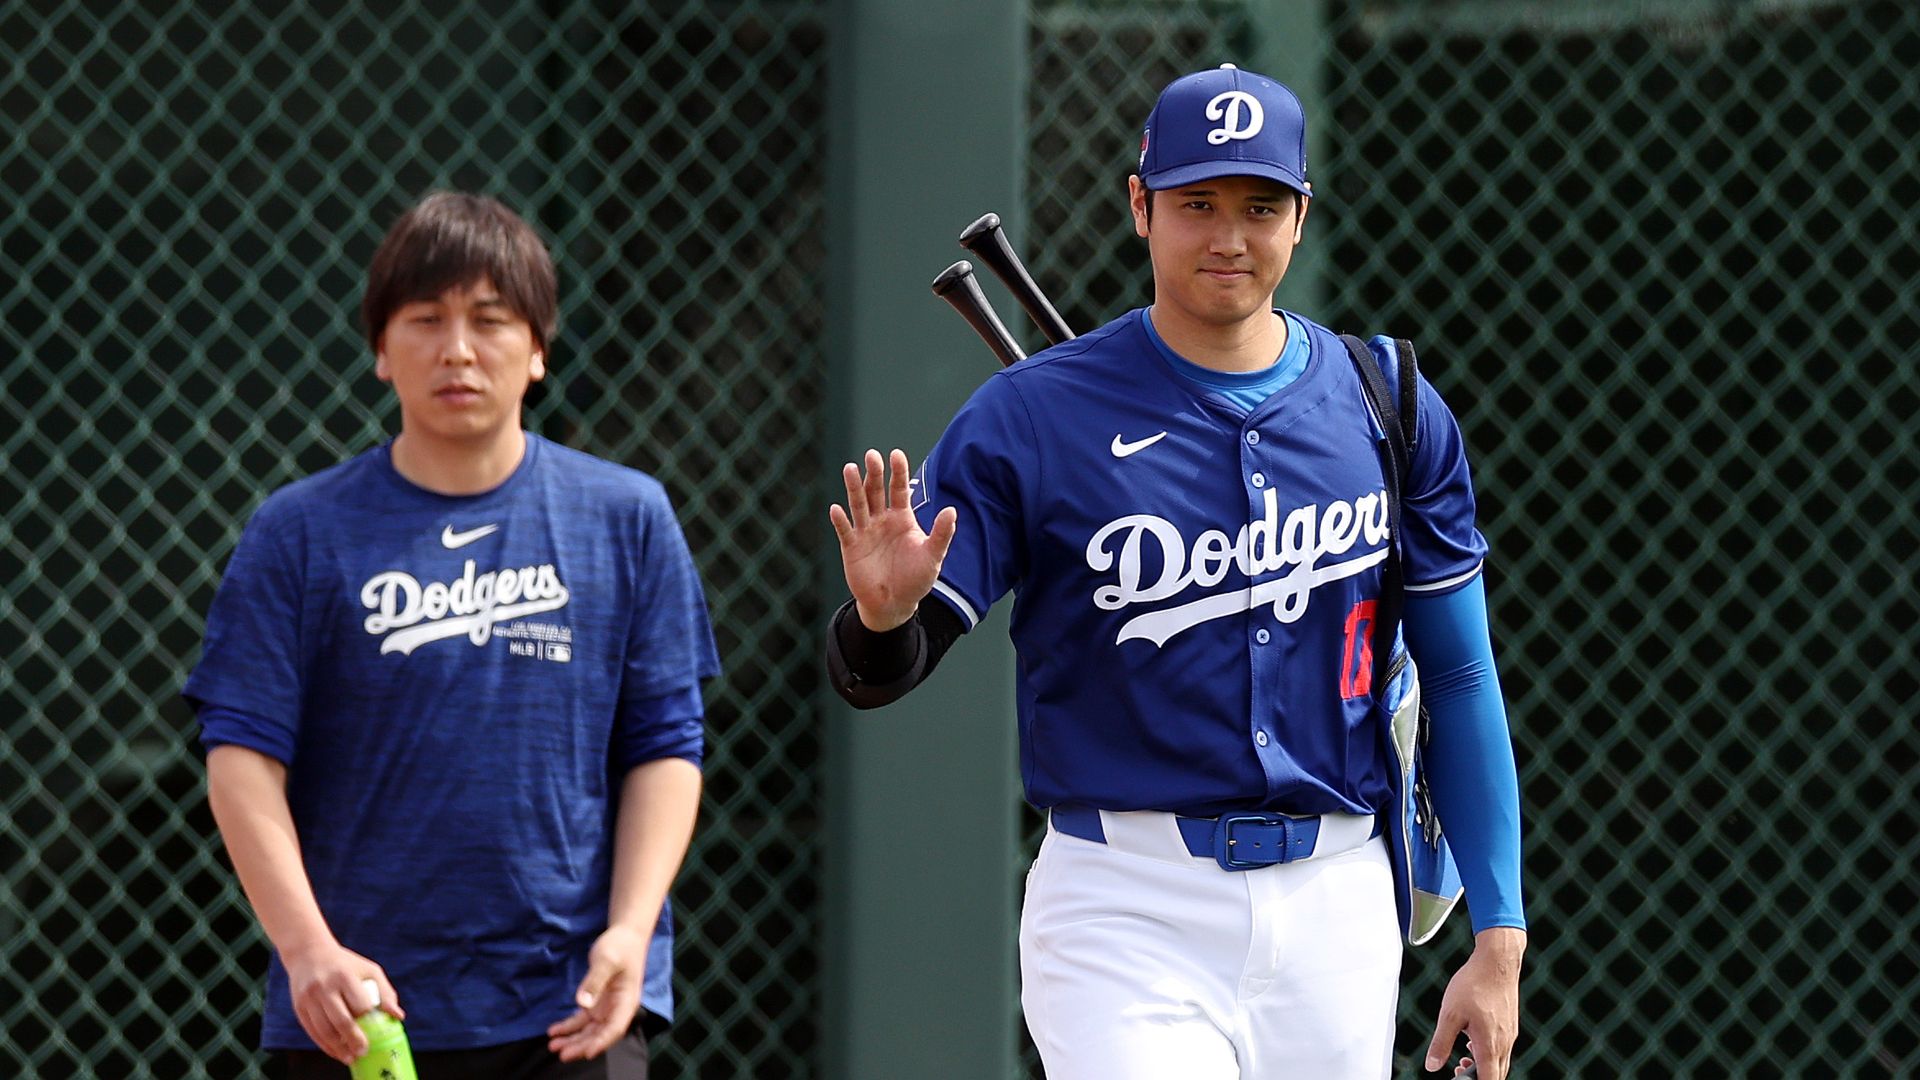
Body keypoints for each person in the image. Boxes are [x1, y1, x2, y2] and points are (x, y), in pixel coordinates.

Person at [826, 65, 1525, 1079]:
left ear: (1301, 215)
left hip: (1335, 898)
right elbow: (874, 671)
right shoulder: (1033, 414)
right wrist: (885, 616)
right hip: (1125, 903)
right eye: (1197, 203)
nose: (1229, 236)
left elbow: (1460, 677)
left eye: (1259, 205)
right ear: (1140, 206)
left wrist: (1497, 938)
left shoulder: (1390, 402)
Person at [185, 191, 719, 1079]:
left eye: (491, 319)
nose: (458, 350)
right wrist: (308, 950)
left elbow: (666, 744)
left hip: (574, 1014)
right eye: (425, 318)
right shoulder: (299, 533)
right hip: (355, 1015)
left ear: (539, 349)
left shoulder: (627, 518)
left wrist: (630, 931)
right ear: (380, 352)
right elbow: (240, 754)